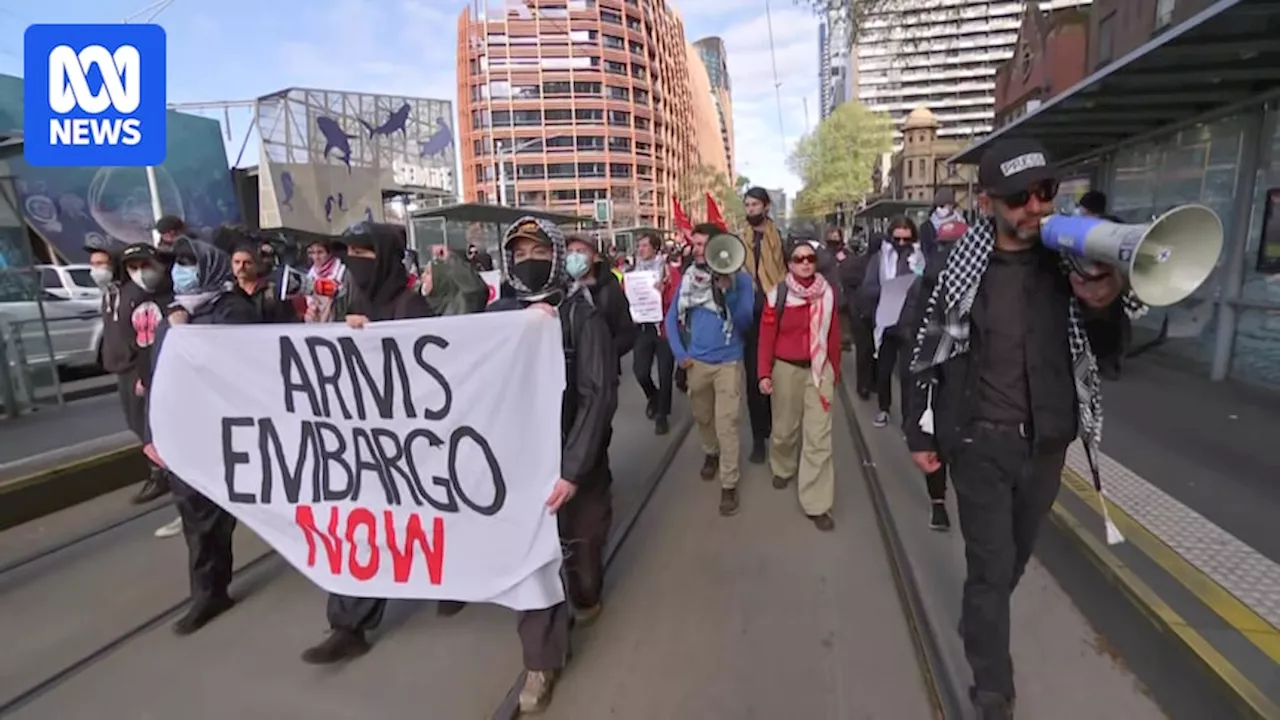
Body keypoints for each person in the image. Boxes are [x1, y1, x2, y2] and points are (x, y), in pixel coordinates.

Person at [903, 138, 1134, 719]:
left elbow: (1108, 354)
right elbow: (920, 354)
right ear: (987, 202)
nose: (1034, 208)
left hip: (1048, 444)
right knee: (989, 564)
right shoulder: (952, 272)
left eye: (1045, 193)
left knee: (1012, 560)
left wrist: (1104, 302)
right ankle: (993, 691)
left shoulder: (1071, 269)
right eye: (1018, 198)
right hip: (979, 441)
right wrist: (920, 434)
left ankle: (979, 618)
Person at [490, 216, 618, 714]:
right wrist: (367, 335)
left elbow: (598, 393)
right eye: (519, 252)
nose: (529, 260)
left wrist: (572, 468)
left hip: (576, 464)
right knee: (533, 566)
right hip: (521, 466)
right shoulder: (497, 314)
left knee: (583, 556)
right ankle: (541, 663)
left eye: (539, 251)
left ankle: (586, 593)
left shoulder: (580, 317)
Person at [300, 223, 435, 665]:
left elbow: (426, 371)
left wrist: (375, 337)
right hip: (361, 439)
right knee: (358, 526)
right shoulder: (353, 301)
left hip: (406, 441)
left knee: (426, 520)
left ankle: (453, 581)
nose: (355, 260)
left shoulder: (410, 304)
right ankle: (348, 624)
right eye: (351, 252)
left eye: (365, 252)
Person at [140, 238, 258, 635]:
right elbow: (159, 380)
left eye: (189, 263)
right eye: (178, 263)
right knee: (196, 517)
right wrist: (151, 434)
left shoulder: (233, 312)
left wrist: (185, 334)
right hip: (182, 432)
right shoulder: (171, 315)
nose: (180, 271)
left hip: (223, 434)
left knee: (220, 514)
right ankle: (209, 594)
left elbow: (232, 370)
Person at [665, 224, 754, 516]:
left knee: (727, 423)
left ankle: (729, 484)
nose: (699, 249)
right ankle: (710, 453)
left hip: (729, 362)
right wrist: (680, 354)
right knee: (703, 417)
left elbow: (745, 324)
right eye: (697, 244)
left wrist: (728, 294)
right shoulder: (690, 278)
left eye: (705, 244)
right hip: (697, 363)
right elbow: (670, 320)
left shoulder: (741, 280)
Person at [756, 239, 841, 531]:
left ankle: (817, 503)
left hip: (819, 371)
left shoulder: (827, 294)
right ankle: (782, 465)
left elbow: (833, 335)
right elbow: (766, 336)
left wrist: (834, 372)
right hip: (786, 370)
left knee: (819, 437)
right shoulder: (777, 294)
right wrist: (763, 373)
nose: (805, 263)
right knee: (784, 429)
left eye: (810, 258)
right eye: (799, 258)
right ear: (790, 263)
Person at [897, 217, 968, 532]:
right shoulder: (937, 280)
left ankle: (938, 502)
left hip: (939, 374)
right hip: (952, 374)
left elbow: (915, 332)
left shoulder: (927, 278)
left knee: (935, 437)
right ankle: (941, 502)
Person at [858, 217, 924, 428]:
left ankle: (908, 419)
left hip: (909, 323)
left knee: (908, 375)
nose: (902, 244)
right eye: (897, 239)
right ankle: (884, 408)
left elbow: (926, 288)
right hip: (886, 322)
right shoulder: (879, 259)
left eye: (907, 239)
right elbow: (867, 288)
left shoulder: (920, 258)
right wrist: (890, 289)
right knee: (884, 371)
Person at [740, 188, 787, 464]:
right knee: (752, 380)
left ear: (766, 207)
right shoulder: (739, 240)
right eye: (747, 204)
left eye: (755, 204)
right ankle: (759, 438)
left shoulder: (779, 237)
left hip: (775, 313)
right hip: (749, 317)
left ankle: (776, 431)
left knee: (776, 378)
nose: (750, 209)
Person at [1076, 190, 1131, 380]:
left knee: (1093, 328)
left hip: (1093, 284)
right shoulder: (1118, 227)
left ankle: (1094, 364)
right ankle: (1111, 364)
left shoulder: (1087, 229)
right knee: (1112, 326)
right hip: (1114, 287)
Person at [565, 235, 637, 376]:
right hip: (567, 374)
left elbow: (627, 333)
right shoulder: (561, 290)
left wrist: (605, 353)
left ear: (595, 256)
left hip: (602, 374)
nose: (574, 257)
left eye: (581, 251)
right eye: (570, 251)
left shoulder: (610, 288)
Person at [630, 231, 676, 435]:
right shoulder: (633, 272)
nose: (640, 249)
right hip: (643, 328)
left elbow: (677, 298)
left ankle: (662, 415)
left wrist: (664, 290)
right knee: (640, 371)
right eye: (638, 246)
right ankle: (653, 396)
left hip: (664, 328)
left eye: (644, 246)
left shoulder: (667, 271)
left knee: (666, 374)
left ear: (655, 248)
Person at [231, 244, 297, 323]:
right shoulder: (229, 292)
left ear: (257, 266)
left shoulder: (273, 292)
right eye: (237, 262)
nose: (241, 267)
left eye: (247, 263)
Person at [302, 238, 349, 323]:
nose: (316, 257)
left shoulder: (342, 272)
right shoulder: (310, 276)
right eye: (312, 253)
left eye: (320, 252)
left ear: (329, 253)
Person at [918, 188, 965, 258]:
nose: (941, 209)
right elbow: (925, 252)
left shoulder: (961, 223)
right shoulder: (926, 227)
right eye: (939, 206)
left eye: (945, 205)